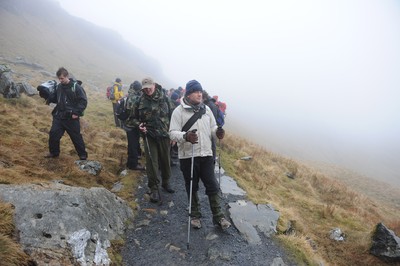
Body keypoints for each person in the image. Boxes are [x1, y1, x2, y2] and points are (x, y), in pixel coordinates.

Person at [169, 80, 231, 230]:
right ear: (189, 94)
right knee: (192, 186)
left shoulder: (207, 109)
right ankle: (195, 215)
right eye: (196, 91)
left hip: (206, 154)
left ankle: (219, 216)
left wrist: (218, 132)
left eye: (200, 91)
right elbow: (172, 133)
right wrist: (185, 136)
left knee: (212, 185)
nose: (199, 94)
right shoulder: (179, 111)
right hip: (188, 156)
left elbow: (212, 127)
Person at [132, 77, 175, 203]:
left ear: (154, 85)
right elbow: (132, 118)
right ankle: (154, 188)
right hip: (149, 136)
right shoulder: (139, 100)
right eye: (145, 88)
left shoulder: (165, 98)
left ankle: (166, 183)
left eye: (149, 87)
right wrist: (139, 125)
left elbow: (174, 117)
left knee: (165, 160)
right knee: (152, 163)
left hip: (164, 135)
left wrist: (173, 135)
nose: (147, 90)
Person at [44, 67, 88, 160]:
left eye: (62, 78)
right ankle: (54, 153)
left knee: (76, 137)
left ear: (67, 76)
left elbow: (83, 101)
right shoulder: (59, 86)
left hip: (71, 118)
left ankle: (82, 155)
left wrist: (76, 113)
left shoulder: (76, 87)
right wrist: (48, 97)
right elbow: (57, 99)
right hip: (59, 116)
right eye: (59, 78)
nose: (60, 80)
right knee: (53, 134)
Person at [123, 81, 145, 170]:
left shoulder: (130, 95)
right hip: (132, 125)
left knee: (132, 144)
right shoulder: (134, 98)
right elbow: (132, 114)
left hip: (129, 124)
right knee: (133, 144)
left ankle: (130, 162)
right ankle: (133, 164)